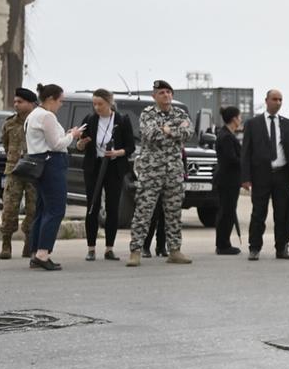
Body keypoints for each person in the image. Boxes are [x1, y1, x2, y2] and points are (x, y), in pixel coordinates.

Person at [127, 80, 195, 268]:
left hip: (174, 171)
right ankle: (135, 251)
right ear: (154, 96)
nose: (166, 95)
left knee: (174, 213)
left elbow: (189, 132)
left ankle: (174, 250)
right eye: (162, 92)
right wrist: (175, 131)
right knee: (143, 212)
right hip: (151, 171)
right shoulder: (148, 113)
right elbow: (150, 135)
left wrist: (166, 130)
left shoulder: (180, 113)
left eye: (168, 92)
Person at [24, 84, 84, 271]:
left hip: (40, 163)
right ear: (50, 99)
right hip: (51, 163)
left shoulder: (34, 114)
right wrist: (72, 135)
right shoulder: (47, 116)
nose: (61, 104)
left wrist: (67, 135)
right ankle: (43, 254)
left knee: (42, 209)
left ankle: (35, 252)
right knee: (56, 210)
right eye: (60, 101)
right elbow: (56, 144)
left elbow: (47, 141)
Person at [241, 89, 289, 260]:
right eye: (274, 99)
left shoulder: (287, 124)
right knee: (258, 213)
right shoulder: (253, 124)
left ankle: (282, 247)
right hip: (261, 175)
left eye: (280, 100)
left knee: (282, 213)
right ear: (266, 101)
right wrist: (245, 178)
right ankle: (254, 247)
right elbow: (246, 152)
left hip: (282, 174)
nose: (278, 102)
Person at [76, 88, 135, 262]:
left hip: (114, 167)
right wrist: (81, 143)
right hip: (94, 166)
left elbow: (130, 147)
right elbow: (79, 146)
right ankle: (91, 248)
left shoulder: (121, 120)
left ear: (110, 103)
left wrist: (117, 152)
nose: (97, 107)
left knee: (112, 207)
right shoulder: (90, 119)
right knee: (92, 206)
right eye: (94, 104)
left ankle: (109, 248)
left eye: (100, 104)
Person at [0, 91, 40, 261]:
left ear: (31, 103)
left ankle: (29, 241)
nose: (16, 105)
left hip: (33, 170)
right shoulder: (9, 123)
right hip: (14, 170)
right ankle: (6, 243)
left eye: (20, 102)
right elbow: (6, 145)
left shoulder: (38, 121)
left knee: (33, 208)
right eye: (15, 101)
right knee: (9, 208)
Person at [212, 106, 244, 254]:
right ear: (234, 119)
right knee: (226, 212)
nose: (241, 120)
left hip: (230, 179)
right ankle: (223, 245)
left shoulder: (228, 134)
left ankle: (224, 243)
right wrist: (246, 162)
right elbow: (231, 159)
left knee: (228, 211)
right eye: (239, 117)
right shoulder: (226, 137)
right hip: (227, 180)